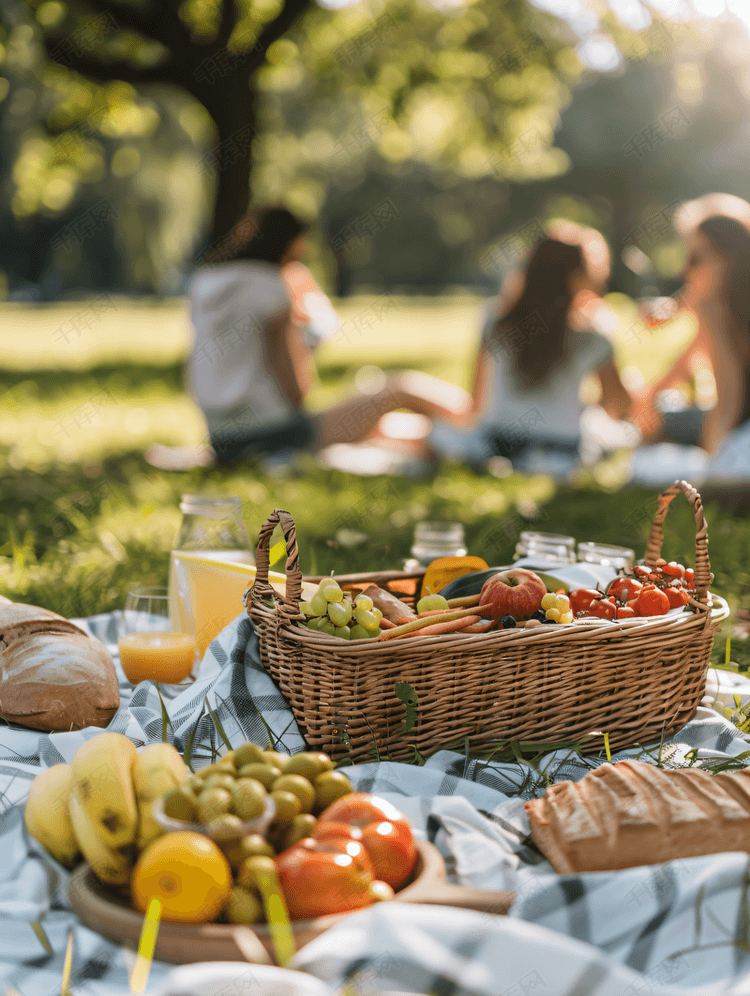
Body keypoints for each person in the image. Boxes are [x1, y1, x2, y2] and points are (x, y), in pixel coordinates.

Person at [183, 204, 471, 467]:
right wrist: (306, 311)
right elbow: (296, 391)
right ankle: (483, 424)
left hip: (223, 440)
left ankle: (460, 436)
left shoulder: (204, 284)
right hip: (275, 435)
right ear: (288, 247)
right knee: (402, 388)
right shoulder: (271, 289)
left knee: (391, 431)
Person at [428, 222, 633, 475]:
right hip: (561, 450)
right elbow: (619, 404)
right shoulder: (592, 335)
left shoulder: (495, 321)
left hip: (496, 444)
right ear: (581, 278)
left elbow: (477, 402)